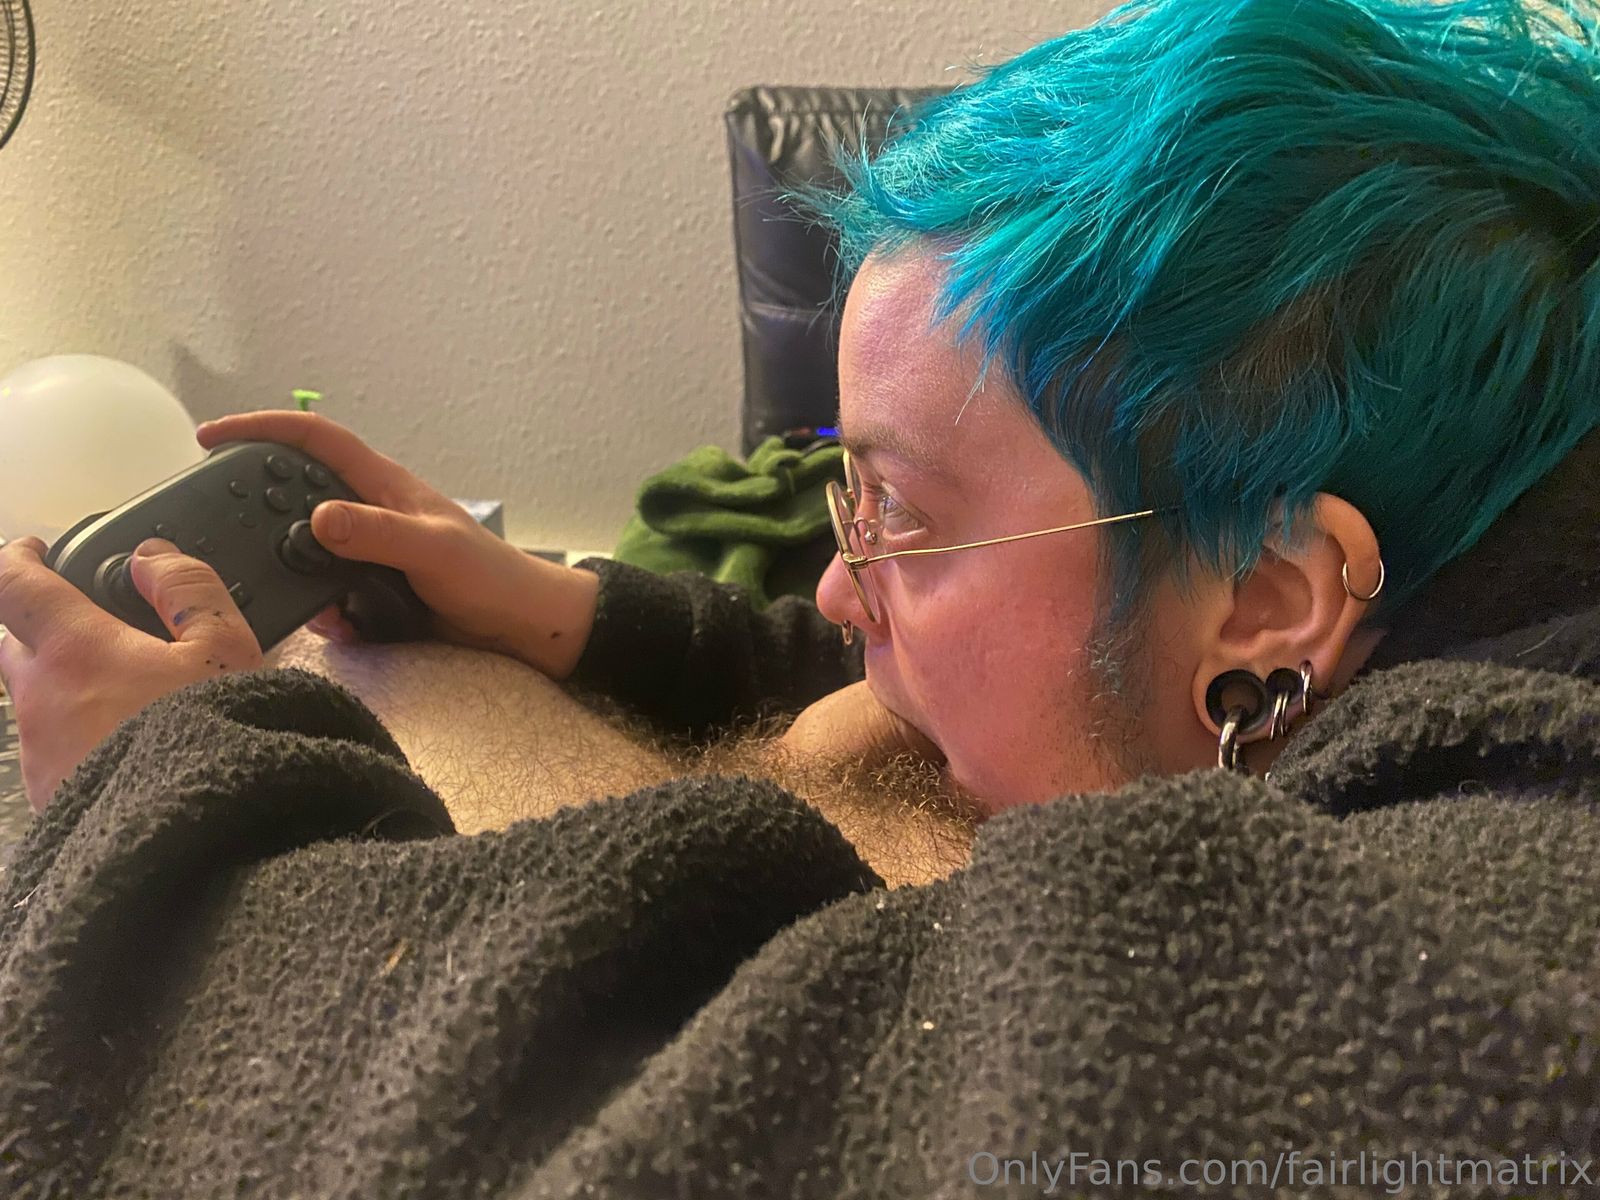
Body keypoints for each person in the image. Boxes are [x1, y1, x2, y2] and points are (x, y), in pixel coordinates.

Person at [4, 0, 1600, 1194]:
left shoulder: (1513, 953)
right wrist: (565, 605)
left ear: (1267, 598)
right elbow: (973, 647)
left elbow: (687, 1139)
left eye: (900, 514)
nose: (837, 582)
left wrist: (180, 818)